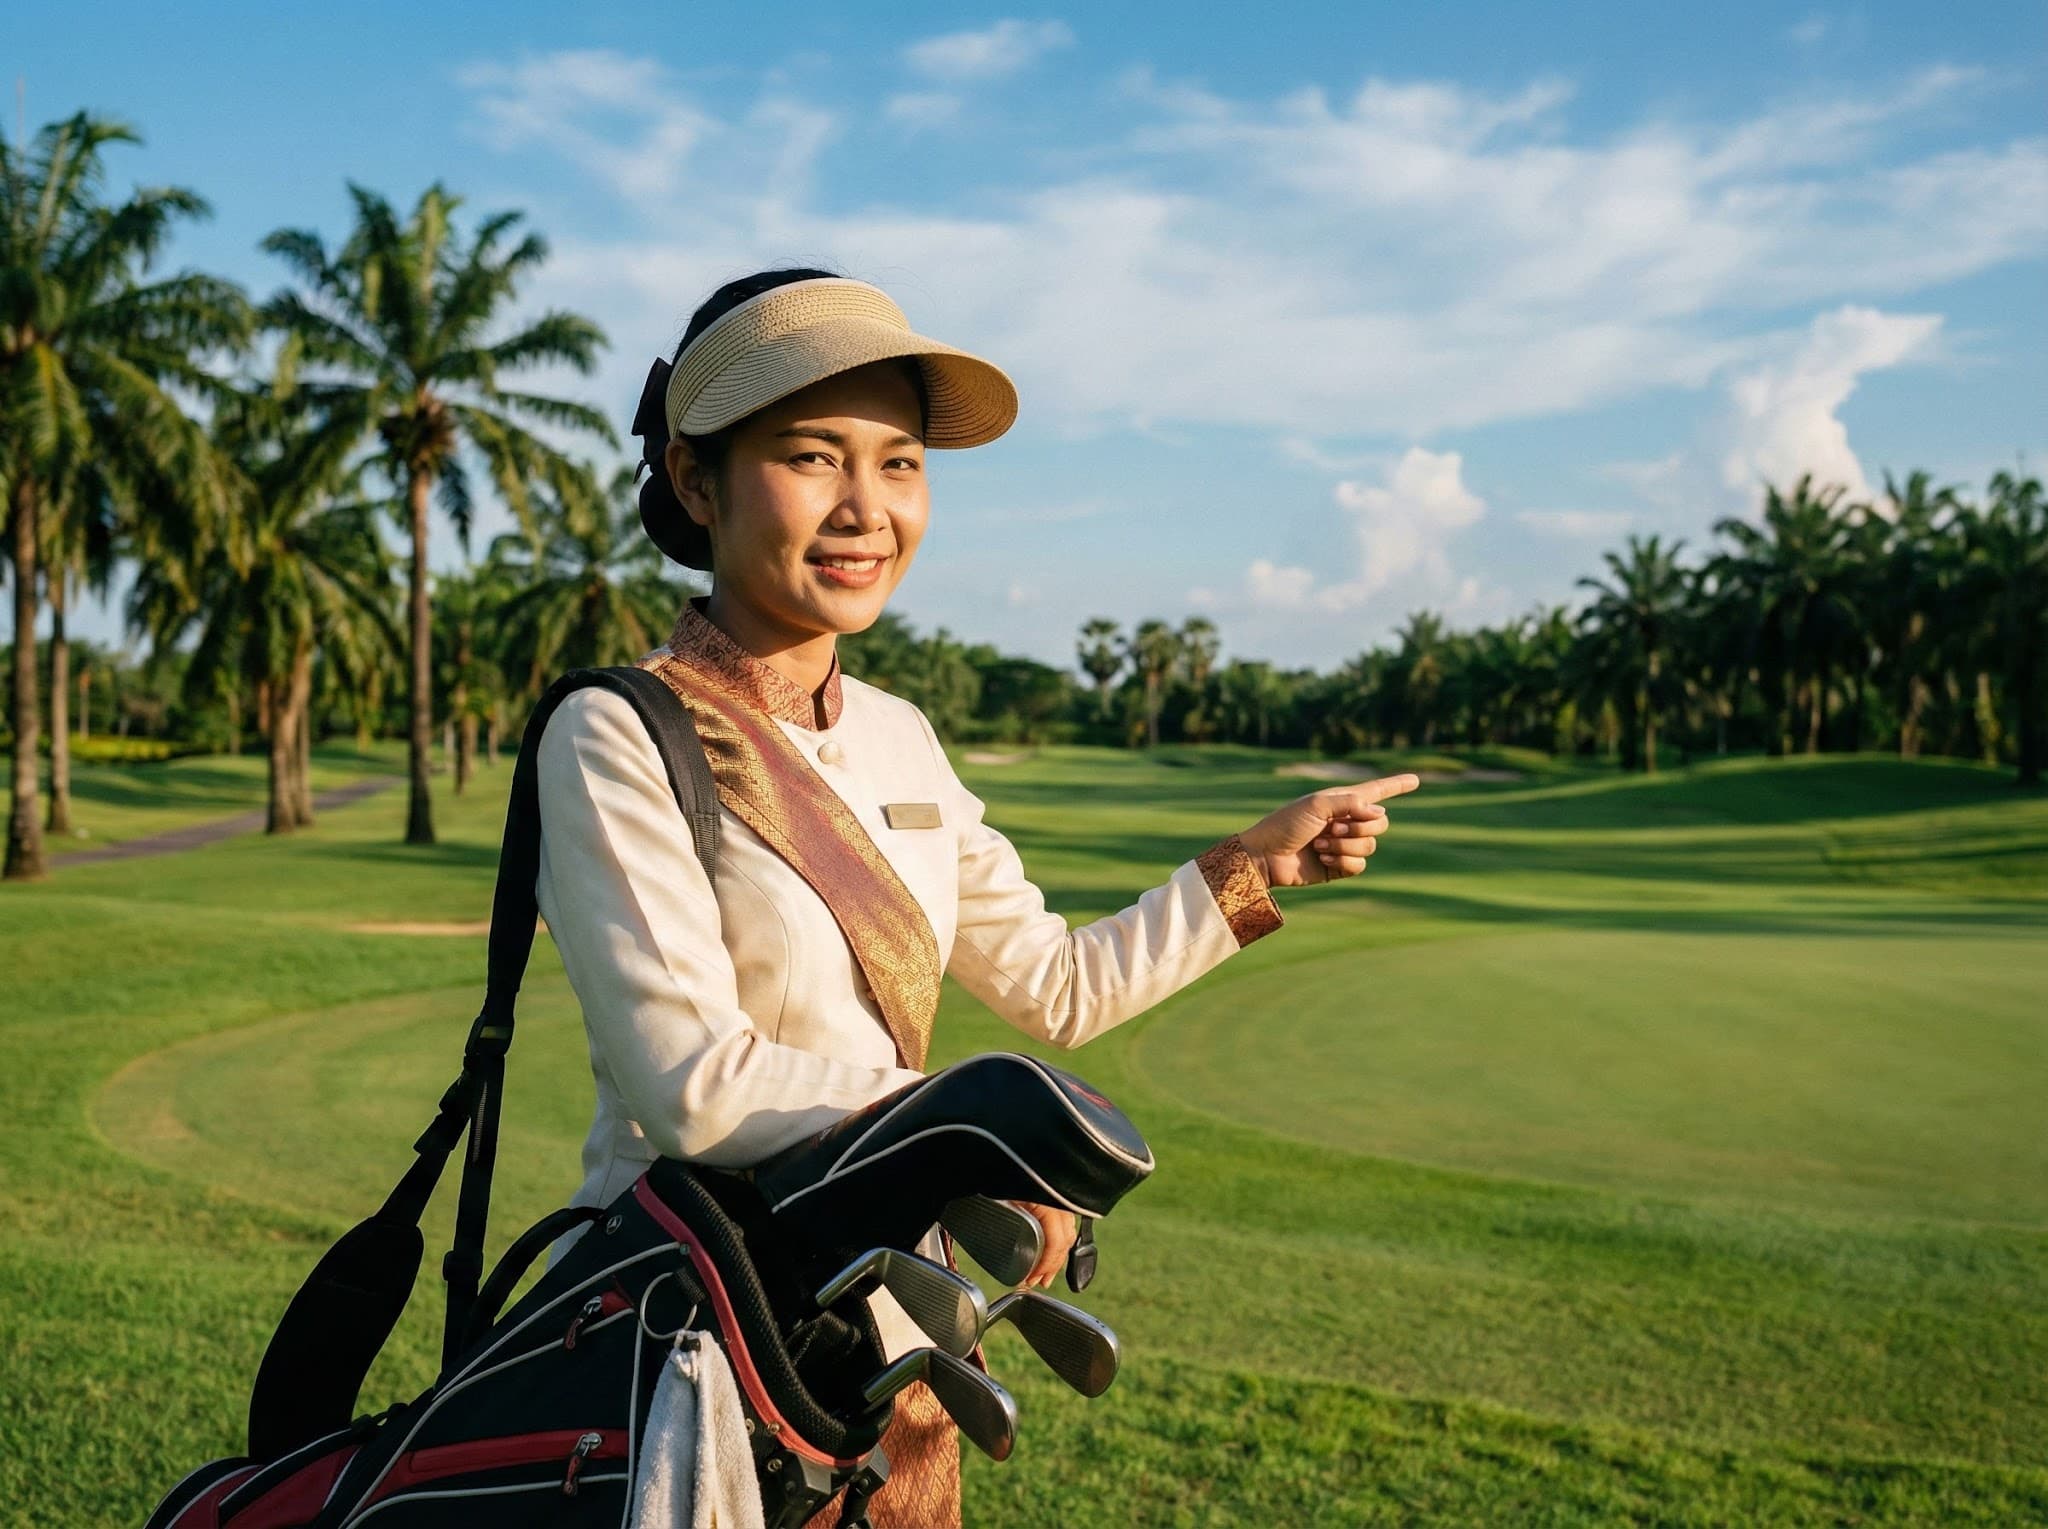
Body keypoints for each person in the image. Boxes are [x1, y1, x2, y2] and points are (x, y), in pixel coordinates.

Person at [533, 268, 1418, 1528]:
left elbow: (1057, 985)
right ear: (695, 479)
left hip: (887, 1313)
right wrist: (966, 1134)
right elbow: (692, 1082)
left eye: (899, 463)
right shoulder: (618, 730)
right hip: (687, 1333)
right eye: (812, 456)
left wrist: (1250, 868)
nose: (866, 507)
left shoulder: (899, 733)